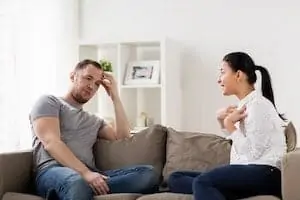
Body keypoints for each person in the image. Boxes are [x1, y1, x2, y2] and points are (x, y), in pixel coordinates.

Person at [30, 59, 159, 200]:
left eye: (97, 83)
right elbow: (51, 143)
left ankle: (81, 192)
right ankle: (79, 190)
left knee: (148, 174)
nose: (92, 86)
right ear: (73, 76)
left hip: (91, 175)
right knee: (76, 182)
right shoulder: (49, 102)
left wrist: (115, 96)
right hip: (53, 171)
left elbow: (123, 137)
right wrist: (85, 173)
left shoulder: (94, 120)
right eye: (88, 78)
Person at [167, 52, 287, 200]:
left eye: (223, 72)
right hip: (250, 172)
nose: (219, 80)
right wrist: (223, 123)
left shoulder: (257, 106)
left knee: (202, 182)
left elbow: (251, 154)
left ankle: (211, 189)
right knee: (175, 178)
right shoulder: (245, 106)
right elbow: (239, 146)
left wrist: (229, 124)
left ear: (238, 75)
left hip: (265, 173)